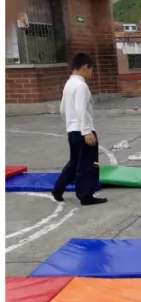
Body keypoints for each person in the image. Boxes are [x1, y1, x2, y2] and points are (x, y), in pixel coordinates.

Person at [52, 53, 107, 206]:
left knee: (74, 162)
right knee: (88, 164)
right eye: (91, 70)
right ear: (85, 67)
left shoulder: (69, 84)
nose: (92, 74)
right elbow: (81, 109)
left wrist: (71, 125)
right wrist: (86, 131)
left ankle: (58, 189)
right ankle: (86, 195)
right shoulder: (81, 85)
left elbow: (63, 109)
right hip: (84, 131)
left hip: (73, 130)